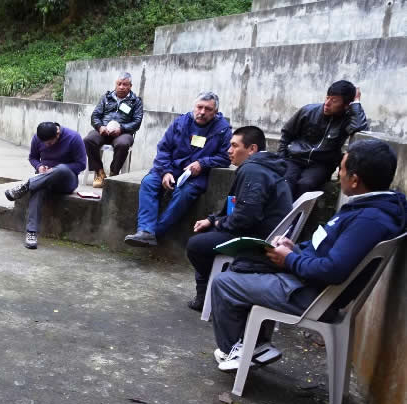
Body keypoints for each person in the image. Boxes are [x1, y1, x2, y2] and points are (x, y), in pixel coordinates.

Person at [211, 140, 405, 372]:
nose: (338, 174)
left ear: (355, 180)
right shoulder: (368, 207)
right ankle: (256, 344)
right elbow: (329, 248)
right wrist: (294, 248)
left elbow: (332, 270)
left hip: (311, 296)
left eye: (341, 169)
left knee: (224, 283)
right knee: (246, 263)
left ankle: (238, 349)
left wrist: (289, 259)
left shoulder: (369, 220)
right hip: (308, 282)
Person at [185, 126, 292, 311]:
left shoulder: (254, 170)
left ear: (252, 149)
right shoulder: (261, 167)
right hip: (260, 232)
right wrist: (212, 219)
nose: (229, 150)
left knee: (196, 245)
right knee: (206, 231)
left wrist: (219, 222)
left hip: (258, 239)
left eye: (234, 146)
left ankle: (214, 291)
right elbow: (236, 206)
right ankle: (206, 295)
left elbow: (245, 217)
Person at [125, 91, 232, 247]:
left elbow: (226, 157)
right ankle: (145, 230)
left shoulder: (223, 129)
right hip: (172, 168)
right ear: (194, 107)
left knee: (184, 194)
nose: (202, 112)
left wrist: (202, 163)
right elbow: (164, 149)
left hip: (197, 176)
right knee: (149, 182)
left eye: (208, 109)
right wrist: (165, 171)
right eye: (199, 107)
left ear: (215, 112)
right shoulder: (181, 122)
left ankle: (154, 233)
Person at [3, 122, 87, 249]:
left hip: (67, 180)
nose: (47, 145)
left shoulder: (74, 138)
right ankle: (31, 232)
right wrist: (39, 167)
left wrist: (55, 169)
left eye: (50, 143)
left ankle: (27, 185)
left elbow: (81, 164)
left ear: (57, 134)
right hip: (44, 179)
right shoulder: (37, 138)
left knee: (61, 169)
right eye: (44, 143)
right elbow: (33, 158)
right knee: (37, 189)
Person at [279, 80, 368, 199]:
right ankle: (281, 211)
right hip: (294, 158)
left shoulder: (347, 119)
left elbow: (360, 129)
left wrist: (356, 103)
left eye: (334, 100)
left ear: (346, 105)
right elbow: (286, 133)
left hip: (321, 164)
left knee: (305, 185)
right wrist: (280, 159)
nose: (327, 103)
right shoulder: (308, 111)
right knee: (285, 182)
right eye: (327, 98)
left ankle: (297, 212)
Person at [84, 72, 144, 188]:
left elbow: (137, 122)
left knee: (123, 144)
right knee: (89, 140)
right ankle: (100, 172)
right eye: (119, 84)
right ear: (115, 84)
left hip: (123, 133)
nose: (121, 87)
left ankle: (113, 175)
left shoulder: (136, 101)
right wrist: (100, 126)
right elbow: (95, 116)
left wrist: (121, 128)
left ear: (130, 86)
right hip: (104, 130)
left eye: (125, 84)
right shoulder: (106, 97)